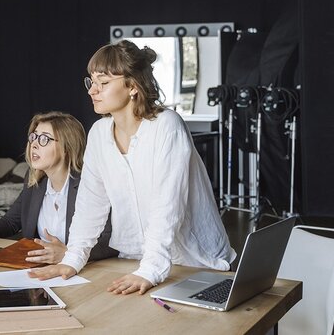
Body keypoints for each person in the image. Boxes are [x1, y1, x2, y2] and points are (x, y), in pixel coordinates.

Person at [29, 40, 236, 295]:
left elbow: (167, 207)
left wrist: (150, 270)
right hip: (134, 262)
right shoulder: (99, 133)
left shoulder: (166, 126)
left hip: (197, 263)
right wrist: (73, 259)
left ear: (132, 86)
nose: (92, 90)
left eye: (103, 82)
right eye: (91, 81)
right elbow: (90, 206)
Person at [0, 112, 118, 264]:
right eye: (33, 137)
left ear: (67, 147)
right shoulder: (35, 181)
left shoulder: (91, 183)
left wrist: (69, 254)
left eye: (44, 139)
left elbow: (111, 241)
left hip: (89, 269)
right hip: (41, 268)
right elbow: (11, 222)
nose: (34, 144)